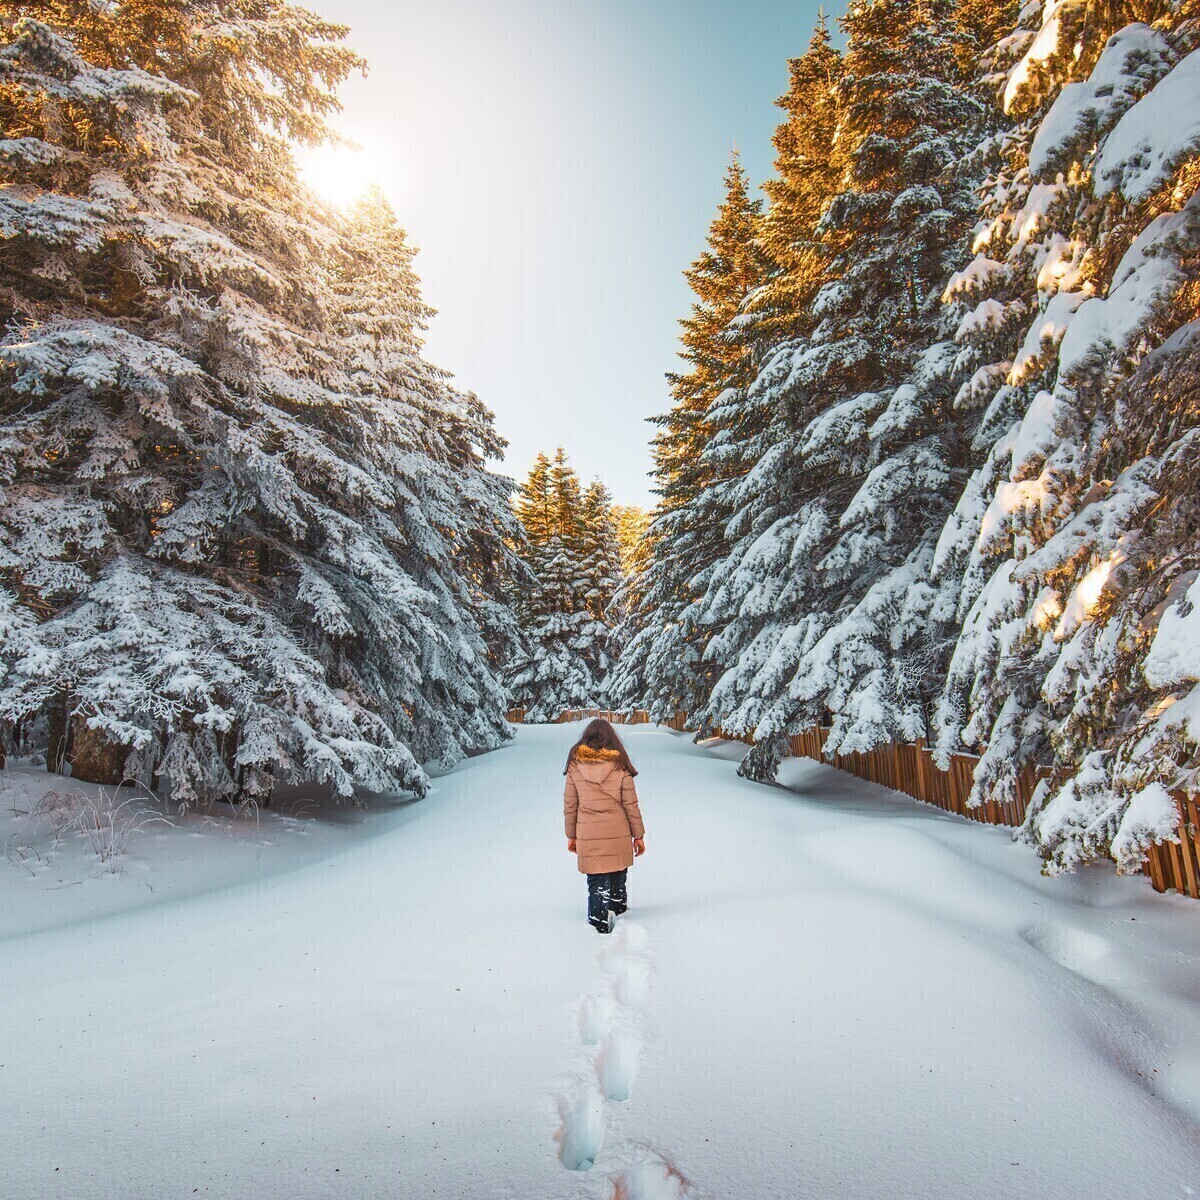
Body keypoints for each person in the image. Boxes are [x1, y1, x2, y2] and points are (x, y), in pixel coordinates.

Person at [563, 718, 646, 934]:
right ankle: (620, 915)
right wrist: (638, 836)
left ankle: (598, 925)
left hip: (588, 831)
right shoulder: (620, 764)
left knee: (597, 879)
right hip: (618, 830)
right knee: (618, 873)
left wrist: (571, 835)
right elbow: (631, 804)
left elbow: (570, 803)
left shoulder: (575, 764)